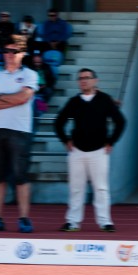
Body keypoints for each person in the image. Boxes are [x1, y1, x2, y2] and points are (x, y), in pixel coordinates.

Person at [0, 35, 38, 233]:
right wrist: (11, 99)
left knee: (20, 176)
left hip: (20, 130)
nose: (9, 55)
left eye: (14, 51)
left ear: (22, 53)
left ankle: (24, 219)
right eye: (6, 51)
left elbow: (23, 97)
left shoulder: (31, 75)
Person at [54, 68, 126, 233]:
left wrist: (111, 141)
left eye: (87, 78)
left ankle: (105, 222)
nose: (83, 80)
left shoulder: (105, 100)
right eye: (80, 78)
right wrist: (65, 140)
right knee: (76, 188)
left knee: (101, 188)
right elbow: (59, 122)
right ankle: (72, 222)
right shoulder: (74, 102)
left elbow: (120, 121)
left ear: (95, 80)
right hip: (77, 152)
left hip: (99, 151)